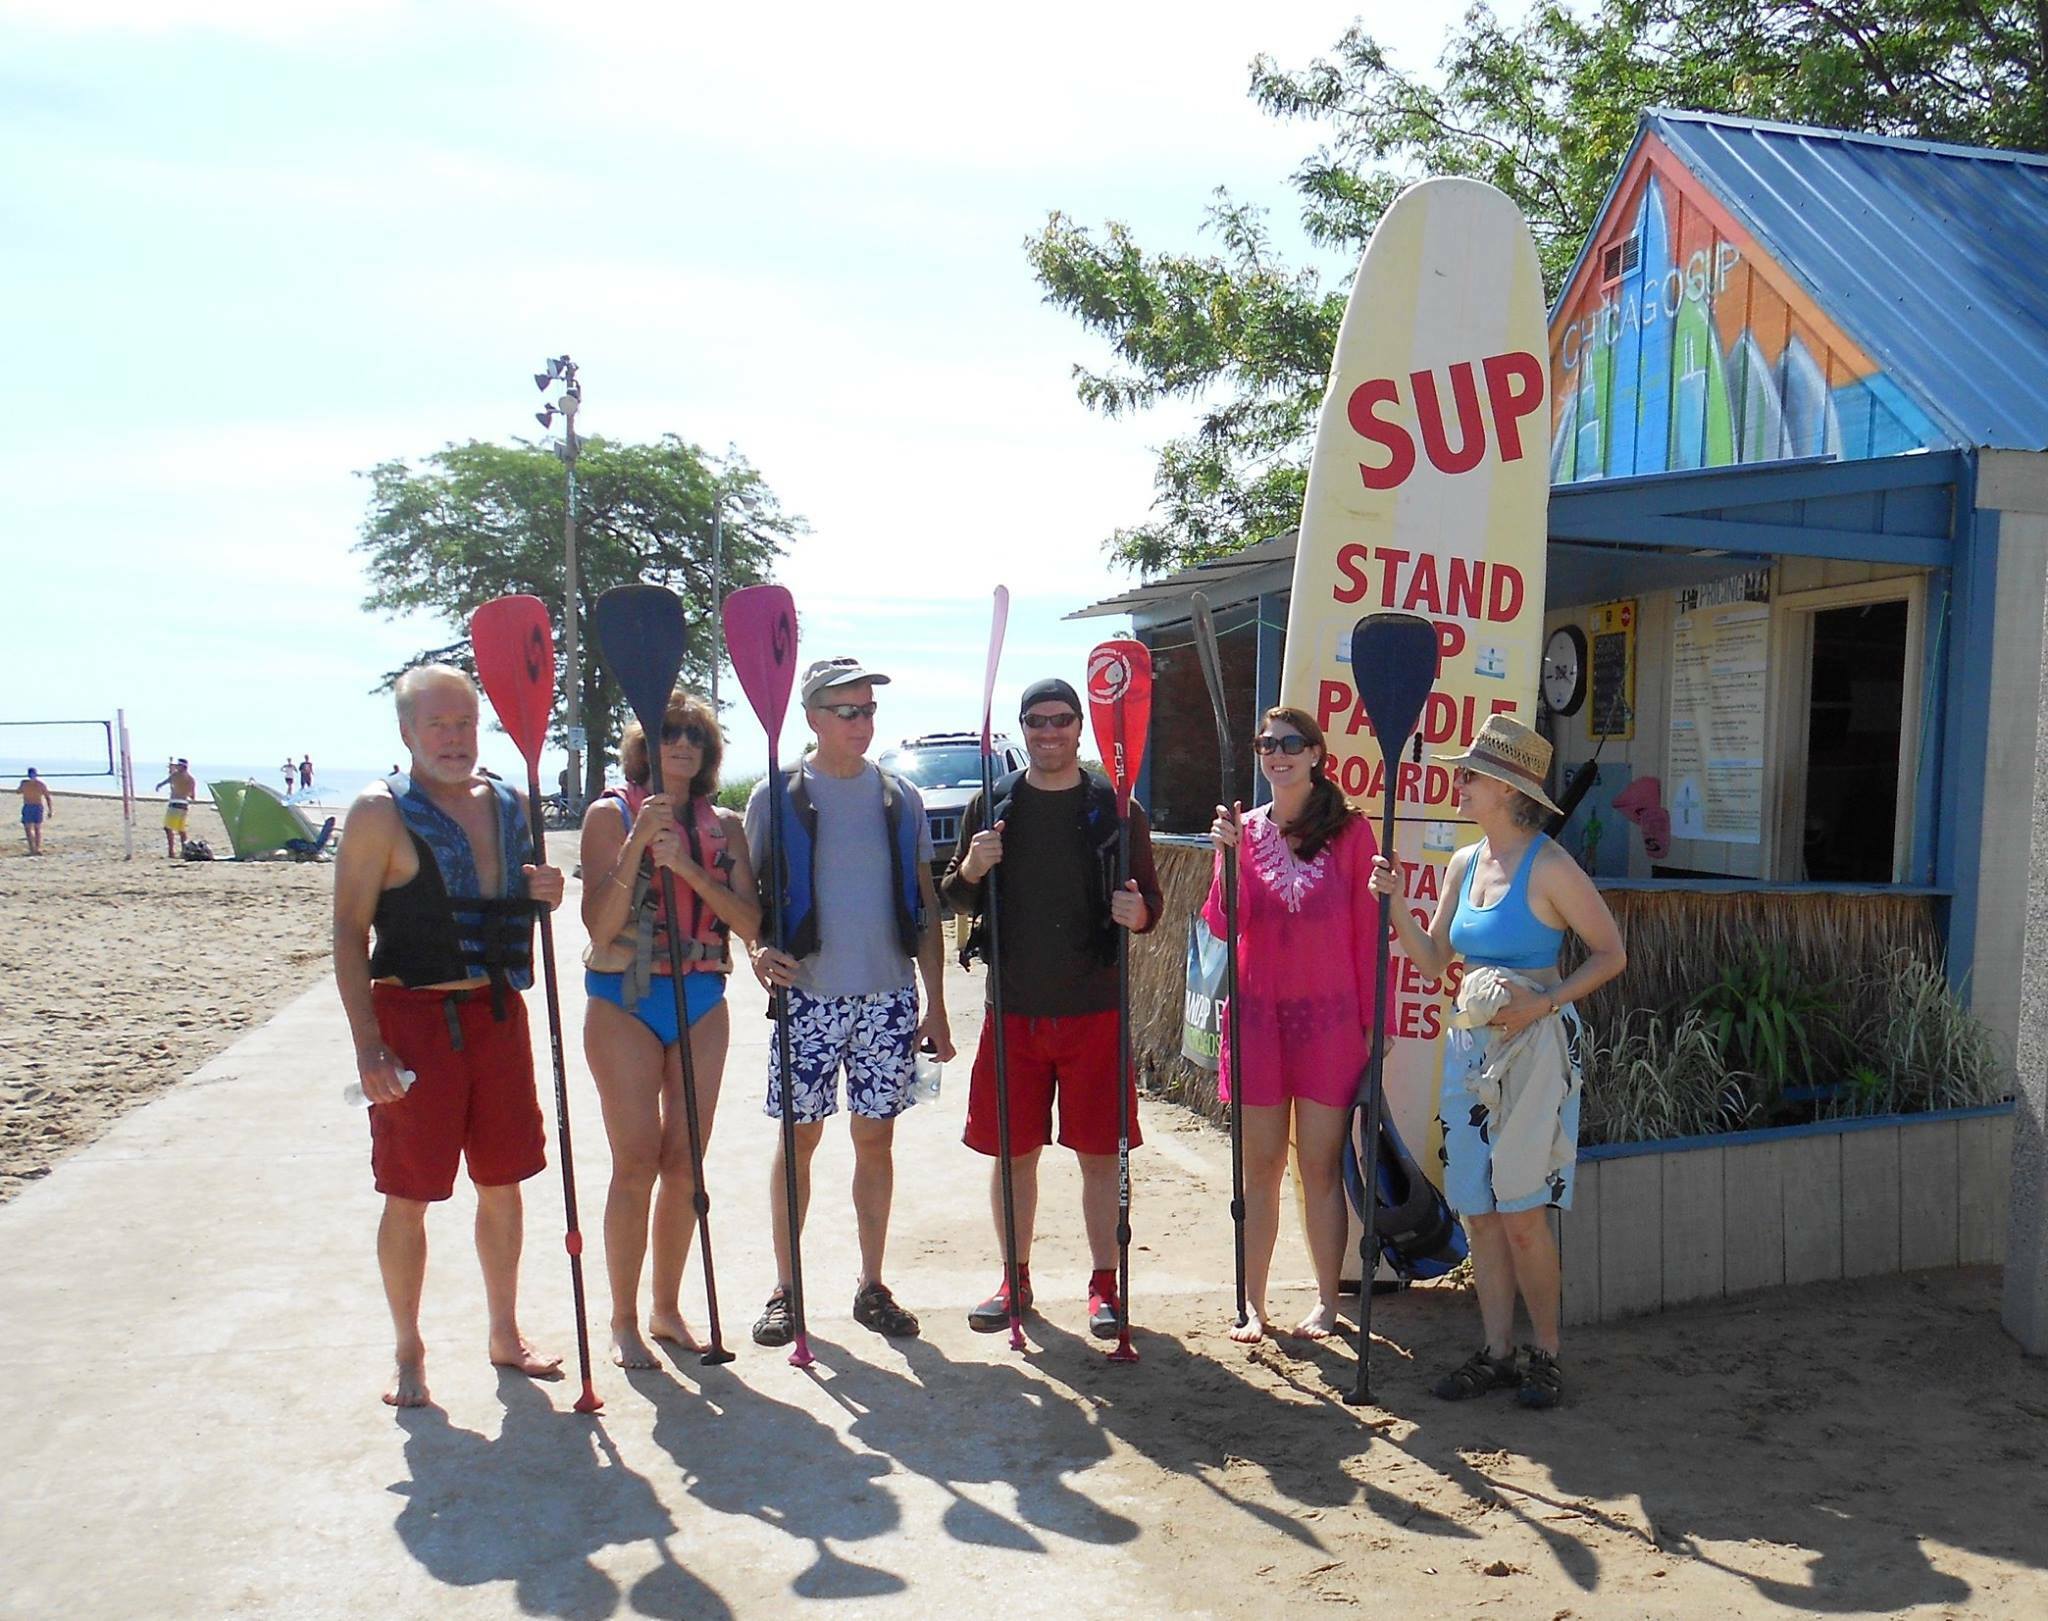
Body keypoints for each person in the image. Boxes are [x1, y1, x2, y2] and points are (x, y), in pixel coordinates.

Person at [1368, 713, 1626, 1409]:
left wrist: (1543, 1004)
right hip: (1470, 1047)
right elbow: (1433, 961)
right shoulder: (1464, 862)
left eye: (1471, 775)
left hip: (1534, 1053)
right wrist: (1396, 906)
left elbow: (1611, 953)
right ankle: (1497, 1350)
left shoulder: (1552, 866)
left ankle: (1547, 1353)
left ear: (1509, 789)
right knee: (1478, 1210)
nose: (1459, 782)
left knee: (1522, 1214)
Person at [331, 663, 567, 1409]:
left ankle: (504, 1331)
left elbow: (519, 902)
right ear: (407, 732)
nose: (454, 737)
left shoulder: (508, 804)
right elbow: (347, 931)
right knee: (409, 1192)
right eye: (437, 724)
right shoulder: (379, 813)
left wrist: (546, 892)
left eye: (464, 723)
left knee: (503, 1181)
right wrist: (368, 1044)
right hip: (412, 1022)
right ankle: (408, 1347)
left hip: (496, 1016)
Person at [745, 657, 954, 1346]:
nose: (862, 722)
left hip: (888, 997)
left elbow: (924, 905)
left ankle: (872, 1284)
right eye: (848, 711)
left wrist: (936, 1004)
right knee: (797, 1139)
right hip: (806, 998)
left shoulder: (900, 797)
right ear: (813, 717)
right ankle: (786, 1289)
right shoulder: (774, 796)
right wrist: (754, 948)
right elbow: (748, 896)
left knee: (876, 1137)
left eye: (868, 710)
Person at [944, 677, 1161, 1338]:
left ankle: (1104, 1286)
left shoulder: (1116, 808)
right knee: (1013, 1154)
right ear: (1022, 728)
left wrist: (1139, 912)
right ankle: (1014, 1278)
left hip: (1094, 1007)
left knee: (1100, 1154)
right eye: (1036, 721)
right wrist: (973, 867)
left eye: (1061, 720)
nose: (1048, 732)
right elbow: (956, 897)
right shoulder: (992, 802)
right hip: (1013, 1008)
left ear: (1079, 727)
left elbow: (1151, 903)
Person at [580, 689, 762, 1368]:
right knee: (635, 1162)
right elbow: (599, 925)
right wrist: (638, 843)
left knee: (686, 1163)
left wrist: (684, 862)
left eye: (695, 734)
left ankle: (666, 1307)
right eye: (670, 732)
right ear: (646, 746)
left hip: (702, 1000)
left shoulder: (726, 827)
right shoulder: (610, 814)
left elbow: (750, 924)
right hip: (624, 1001)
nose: (683, 743)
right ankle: (623, 1319)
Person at [1204, 707, 1384, 1343]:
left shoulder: (1353, 833)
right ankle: (1252, 1304)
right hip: (1259, 1021)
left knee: (1320, 1167)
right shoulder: (1243, 830)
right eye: (1266, 743)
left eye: (1290, 742)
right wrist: (1226, 858)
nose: (1276, 753)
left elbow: (1369, 932)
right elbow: (1224, 923)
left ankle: (1328, 1302)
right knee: (1260, 1169)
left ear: (1315, 754)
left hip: (1330, 1025)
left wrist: (1374, 1023)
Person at [156, 758, 197, 858]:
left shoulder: (175, 775)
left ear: (182, 767)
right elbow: (192, 796)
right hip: (184, 805)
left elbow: (162, 783)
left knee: (168, 828)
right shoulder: (191, 779)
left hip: (175, 803)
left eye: (178, 766)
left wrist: (175, 788)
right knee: (181, 829)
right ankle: (184, 850)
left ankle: (171, 851)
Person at [17, 768, 52, 854]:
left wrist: (50, 810)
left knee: (37, 828)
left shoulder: (40, 784)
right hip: (28, 806)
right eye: (31, 774)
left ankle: (37, 848)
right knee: (28, 828)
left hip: (37, 806)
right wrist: (22, 785)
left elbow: (47, 797)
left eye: (33, 774)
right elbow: (18, 791)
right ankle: (32, 849)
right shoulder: (25, 783)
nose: (32, 776)